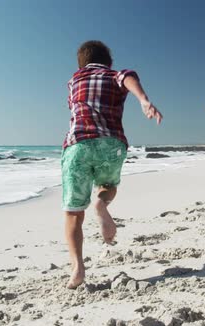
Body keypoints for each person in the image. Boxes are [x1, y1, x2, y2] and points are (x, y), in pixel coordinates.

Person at [61, 40, 163, 288]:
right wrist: (143, 99)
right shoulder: (114, 74)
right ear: (109, 62)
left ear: (82, 63)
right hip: (112, 144)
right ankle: (101, 204)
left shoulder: (73, 81)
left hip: (78, 145)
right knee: (108, 184)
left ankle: (77, 268)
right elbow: (127, 76)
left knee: (73, 211)